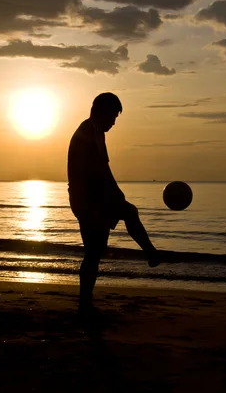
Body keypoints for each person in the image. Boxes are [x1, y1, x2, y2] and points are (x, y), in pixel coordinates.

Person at [67, 92, 160, 316]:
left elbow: (102, 167)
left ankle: (85, 305)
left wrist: (115, 193)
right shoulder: (90, 131)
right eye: (113, 116)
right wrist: (115, 194)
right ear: (102, 111)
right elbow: (98, 170)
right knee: (127, 214)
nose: (114, 122)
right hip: (89, 199)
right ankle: (151, 253)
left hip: (90, 198)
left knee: (95, 252)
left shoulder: (95, 131)